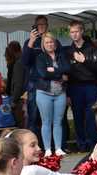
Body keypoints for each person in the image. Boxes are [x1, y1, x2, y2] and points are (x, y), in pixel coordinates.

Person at [23, 16, 61, 145]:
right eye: (39, 25)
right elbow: (25, 62)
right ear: (35, 26)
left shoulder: (54, 42)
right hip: (35, 83)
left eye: (44, 24)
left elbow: (61, 61)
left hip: (53, 82)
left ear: (47, 25)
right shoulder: (30, 42)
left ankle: (55, 146)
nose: (41, 27)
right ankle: (33, 145)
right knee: (33, 116)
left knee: (54, 117)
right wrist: (31, 42)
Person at [66, 20, 97, 152]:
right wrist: (68, 94)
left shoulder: (91, 48)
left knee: (91, 116)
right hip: (75, 88)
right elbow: (66, 74)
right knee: (78, 117)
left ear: (81, 31)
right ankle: (81, 144)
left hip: (90, 86)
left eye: (76, 31)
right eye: (71, 32)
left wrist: (84, 61)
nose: (74, 35)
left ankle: (93, 144)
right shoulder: (68, 51)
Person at [35, 32, 70, 157]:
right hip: (44, 93)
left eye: (51, 42)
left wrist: (53, 70)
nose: (49, 44)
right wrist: (60, 74)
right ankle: (48, 149)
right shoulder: (40, 57)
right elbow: (43, 74)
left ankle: (59, 148)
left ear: (55, 44)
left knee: (58, 122)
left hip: (60, 93)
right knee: (46, 121)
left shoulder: (61, 55)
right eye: (47, 42)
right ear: (43, 45)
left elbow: (68, 69)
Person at [5, 41, 25, 127]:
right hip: (20, 97)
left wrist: (14, 100)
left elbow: (18, 83)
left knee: (20, 123)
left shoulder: (18, 64)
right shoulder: (22, 61)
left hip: (18, 99)